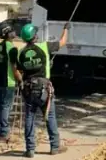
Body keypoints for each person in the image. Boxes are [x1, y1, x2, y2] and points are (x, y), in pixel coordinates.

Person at [17, 22, 69, 158]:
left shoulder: (21, 52)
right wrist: (66, 29)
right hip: (44, 89)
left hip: (28, 89)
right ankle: (55, 147)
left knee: (29, 118)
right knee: (50, 116)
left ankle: (30, 149)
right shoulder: (44, 47)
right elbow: (62, 42)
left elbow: (19, 70)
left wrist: (21, 81)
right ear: (35, 36)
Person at [0, 25, 21, 143]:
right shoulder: (12, 48)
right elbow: (14, 67)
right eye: (13, 31)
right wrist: (20, 79)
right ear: (8, 34)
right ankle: (4, 134)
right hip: (8, 81)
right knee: (5, 107)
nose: (15, 32)